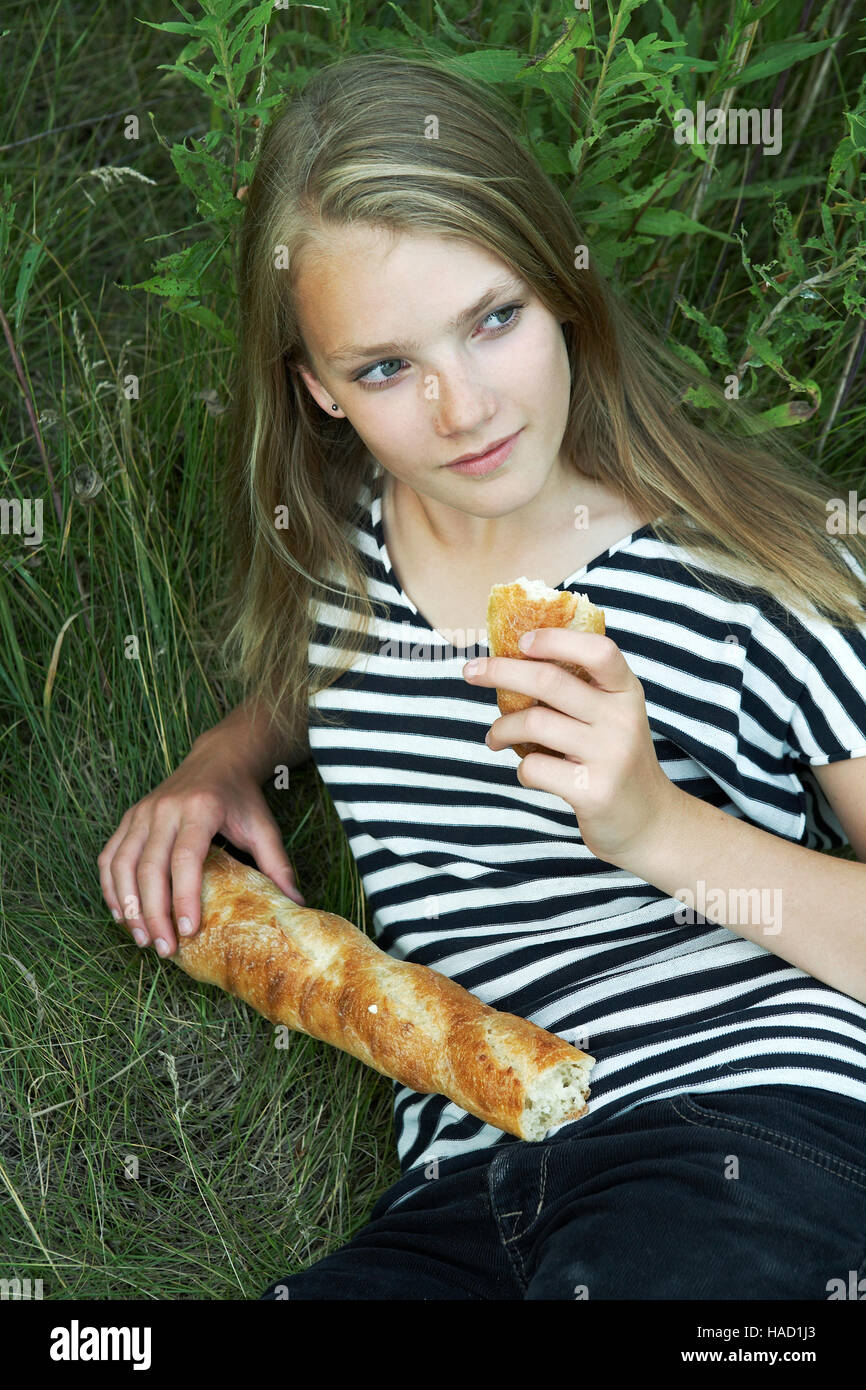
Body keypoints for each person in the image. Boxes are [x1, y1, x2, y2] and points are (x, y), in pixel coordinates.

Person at [98, 51, 866, 1300]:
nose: (460, 408)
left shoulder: (752, 581)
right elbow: (328, 677)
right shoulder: (344, 559)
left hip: (743, 1125)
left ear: (561, 290)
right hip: (465, 1172)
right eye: (385, 367)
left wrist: (651, 823)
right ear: (320, 393)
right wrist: (219, 761)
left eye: (493, 318)